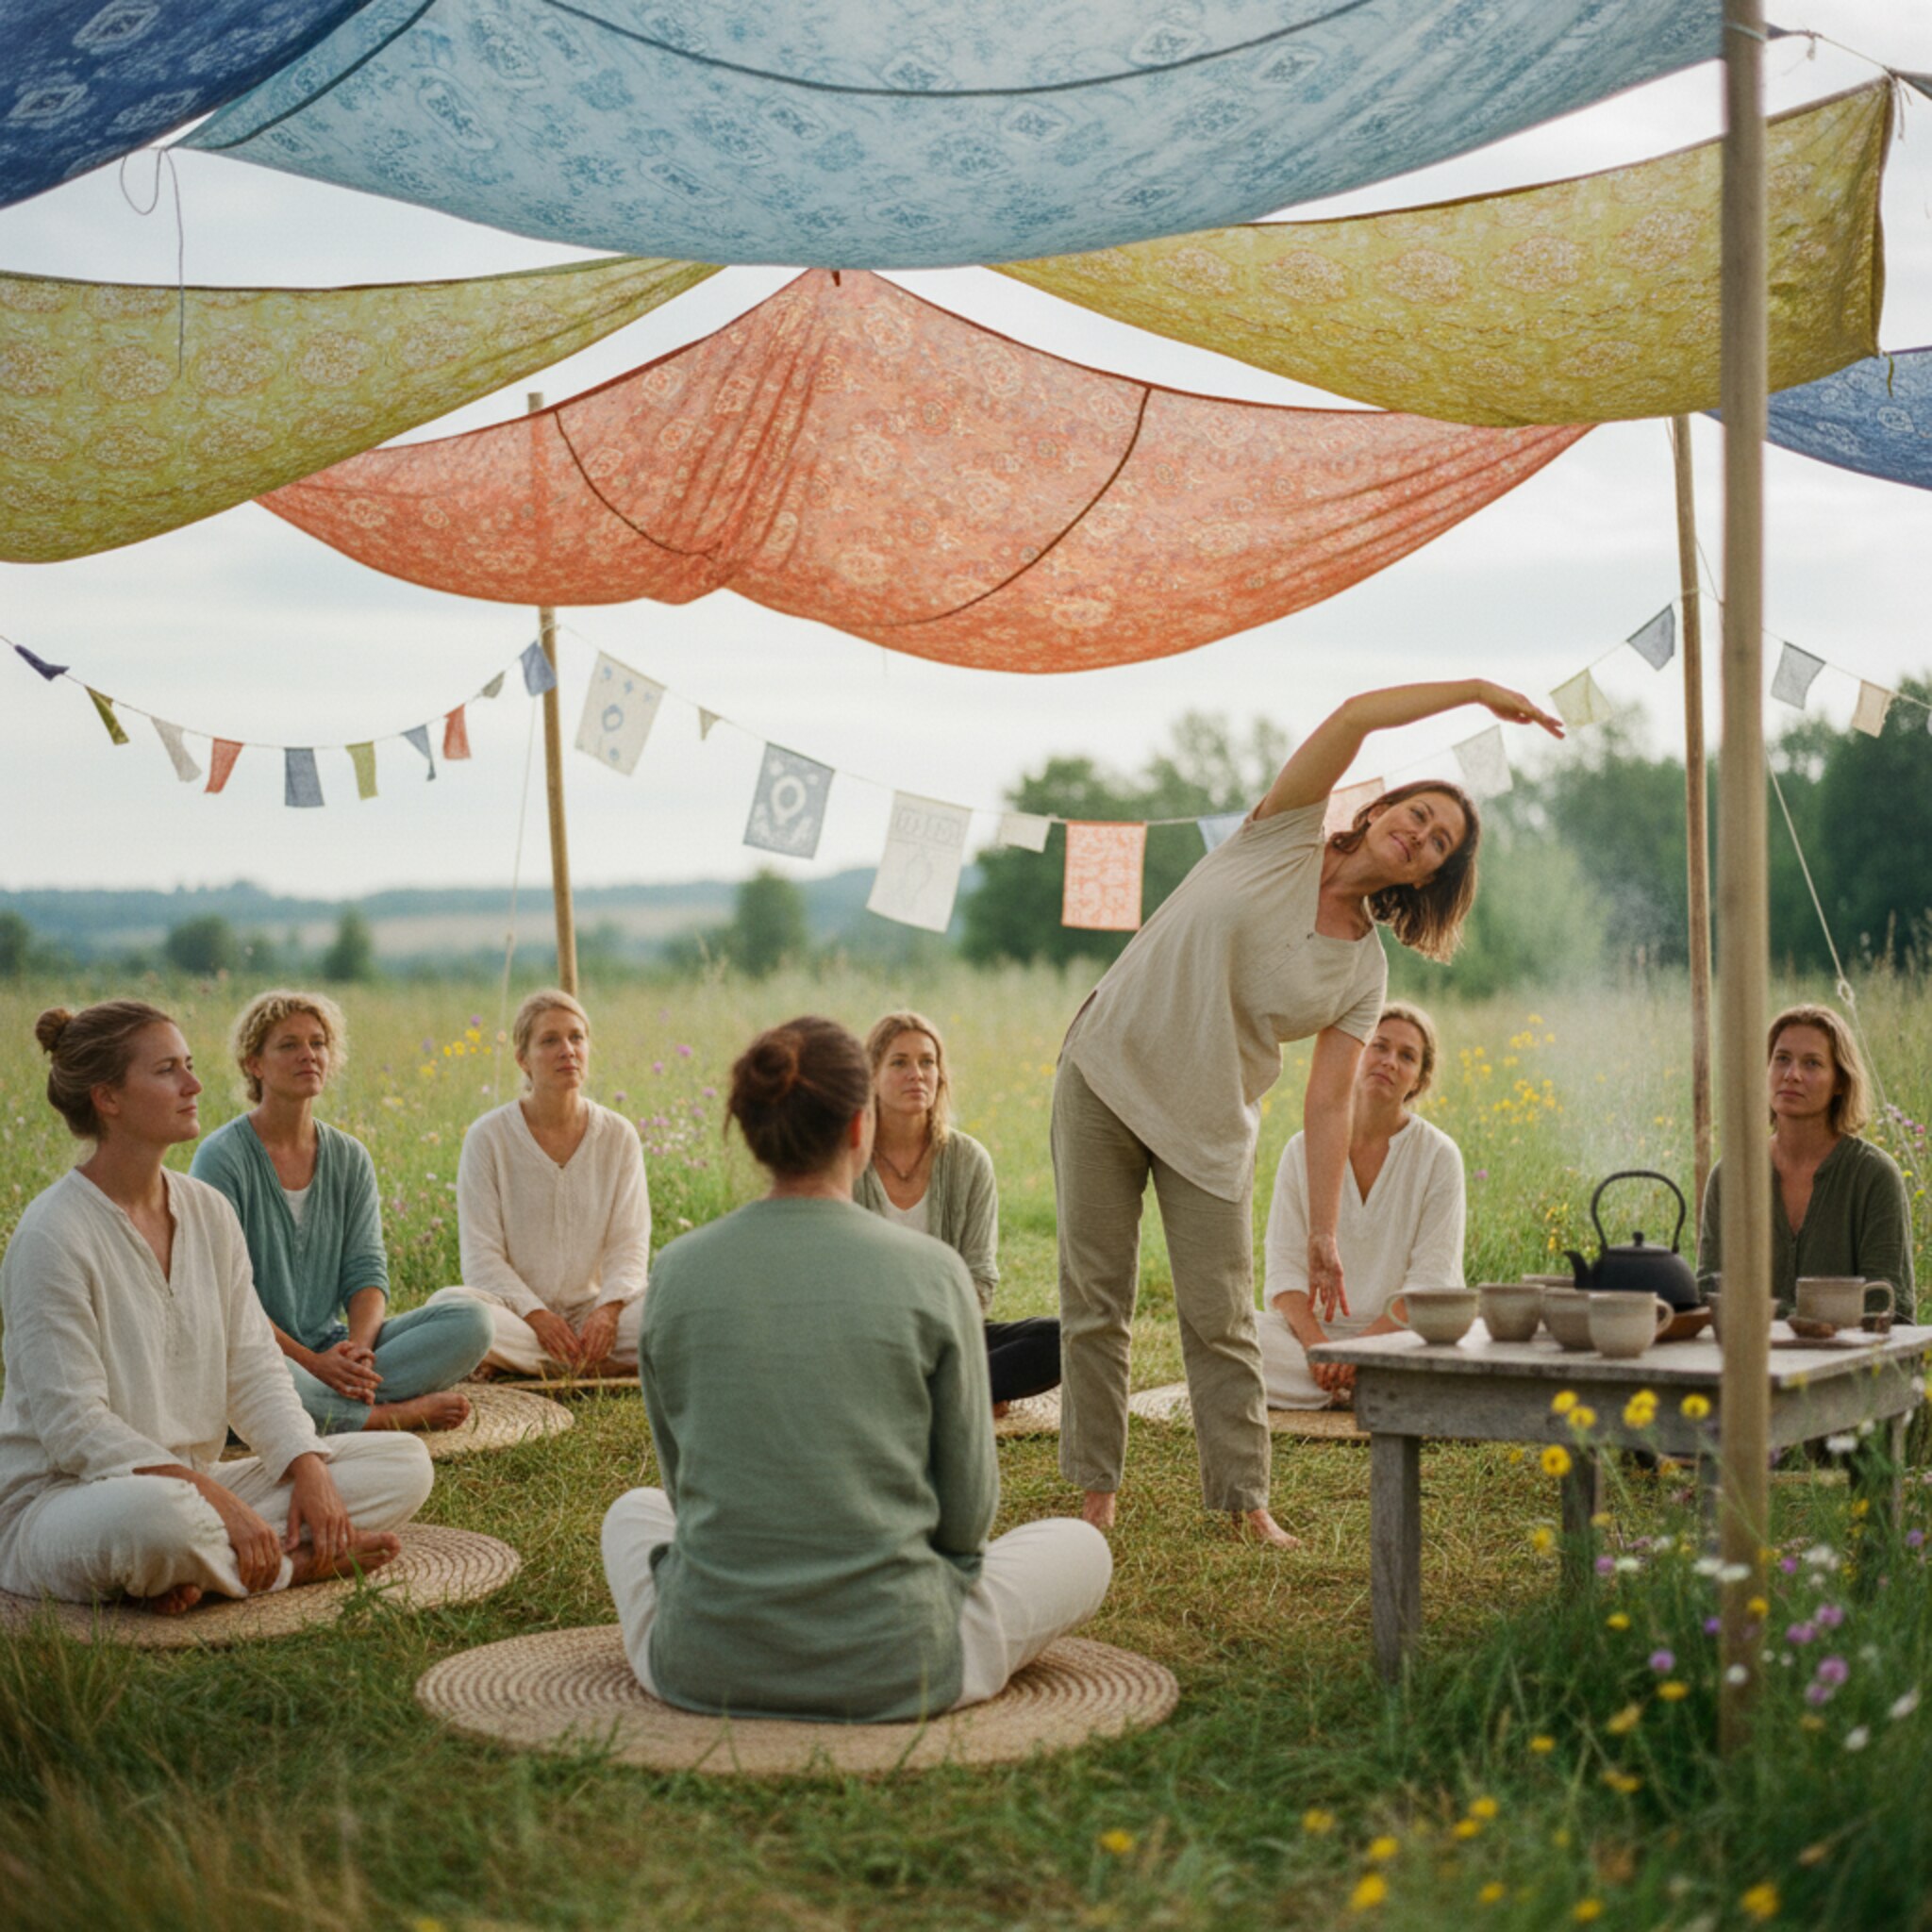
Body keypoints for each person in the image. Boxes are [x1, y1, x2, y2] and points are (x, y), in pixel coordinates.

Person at [1053, 680, 1562, 1545]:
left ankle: (1246, 1502)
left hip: (1209, 1125)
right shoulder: (1281, 832)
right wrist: (1475, 695)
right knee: (1096, 1299)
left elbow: (1328, 1101)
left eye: (1438, 843)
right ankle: (1096, 1495)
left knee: (1218, 1317)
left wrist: (1324, 1232)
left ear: (1428, 875)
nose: (1421, 834)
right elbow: (1357, 717)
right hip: (1105, 1070)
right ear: (1380, 811)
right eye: (1419, 813)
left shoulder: (1364, 974)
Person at [603, 1016, 1111, 1722]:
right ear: (857, 1129)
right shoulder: (935, 1276)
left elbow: (685, 1499)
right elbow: (966, 1524)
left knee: (632, 1513)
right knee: (1080, 1547)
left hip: (706, 1661)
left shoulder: (676, 1273)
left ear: (750, 1133)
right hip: (902, 1660)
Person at [0, 1003, 432, 1614]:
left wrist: (305, 1466)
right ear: (109, 1099)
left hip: (192, 1483)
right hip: (70, 1502)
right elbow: (74, 1428)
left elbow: (254, 1369)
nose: (195, 1085)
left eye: (191, 1066)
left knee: (403, 1465)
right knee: (157, 1523)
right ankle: (285, 1565)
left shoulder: (207, 1212)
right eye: (168, 1070)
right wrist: (216, 1500)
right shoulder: (53, 1234)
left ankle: (207, 1568)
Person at [192, 991, 491, 1434]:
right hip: (255, 1347)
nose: (308, 1055)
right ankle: (379, 1416)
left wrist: (355, 1355)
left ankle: (320, 1408)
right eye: (289, 1045)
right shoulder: (222, 1157)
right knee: (242, 1374)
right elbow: (227, 1298)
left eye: (318, 1043)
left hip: (330, 1347)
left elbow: (366, 1272)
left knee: (472, 1323)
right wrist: (312, 1363)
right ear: (254, 1064)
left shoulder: (350, 1157)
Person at [429, 990, 649, 1375]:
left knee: (676, 1307)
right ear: (523, 1059)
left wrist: (609, 1312)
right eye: (550, 1040)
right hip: (517, 1316)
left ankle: (526, 1364)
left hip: (597, 1315)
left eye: (576, 1037)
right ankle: (593, 1365)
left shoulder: (618, 1135)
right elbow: (482, 1257)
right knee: (452, 1310)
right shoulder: (488, 1137)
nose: (567, 1050)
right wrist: (537, 1316)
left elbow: (628, 1243)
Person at [1258, 1003, 1466, 1407]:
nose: (1389, 1062)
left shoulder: (1440, 1156)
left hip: (1398, 1339)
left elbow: (1432, 1283)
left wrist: (1360, 1351)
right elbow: (1283, 1276)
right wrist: (1322, 1349)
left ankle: (1334, 1387)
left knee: (1455, 1348)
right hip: (1310, 1342)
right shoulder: (1301, 1150)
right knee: (1239, 1335)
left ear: (1418, 1081)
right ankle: (1363, 1391)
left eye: (1406, 1057)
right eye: (1379, 1046)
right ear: (1355, 1055)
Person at [855, 1009, 1060, 1410]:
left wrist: (938, 1334)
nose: (917, 1073)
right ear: (871, 1077)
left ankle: (922, 1393)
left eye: (927, 1062)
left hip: (947, 1331)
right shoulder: (847, 1160)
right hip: (867, 1337)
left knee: (1060, 1340)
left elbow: (979, 1277)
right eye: (899, 1062)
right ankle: (957, 1394)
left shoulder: (968, 1160)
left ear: (940, 1074)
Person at [1698, 1003, 1915, 1318]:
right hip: (1752, 1364)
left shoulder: (1873, 1176)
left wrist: (1775, 1316)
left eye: (1812, 1063)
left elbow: (1890, 1307)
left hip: (1848, 1365)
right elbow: (1709, 1290)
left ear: (1840, 1081)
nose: (1792, 1075)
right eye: (1782, 1059)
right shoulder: (1732, 1175)